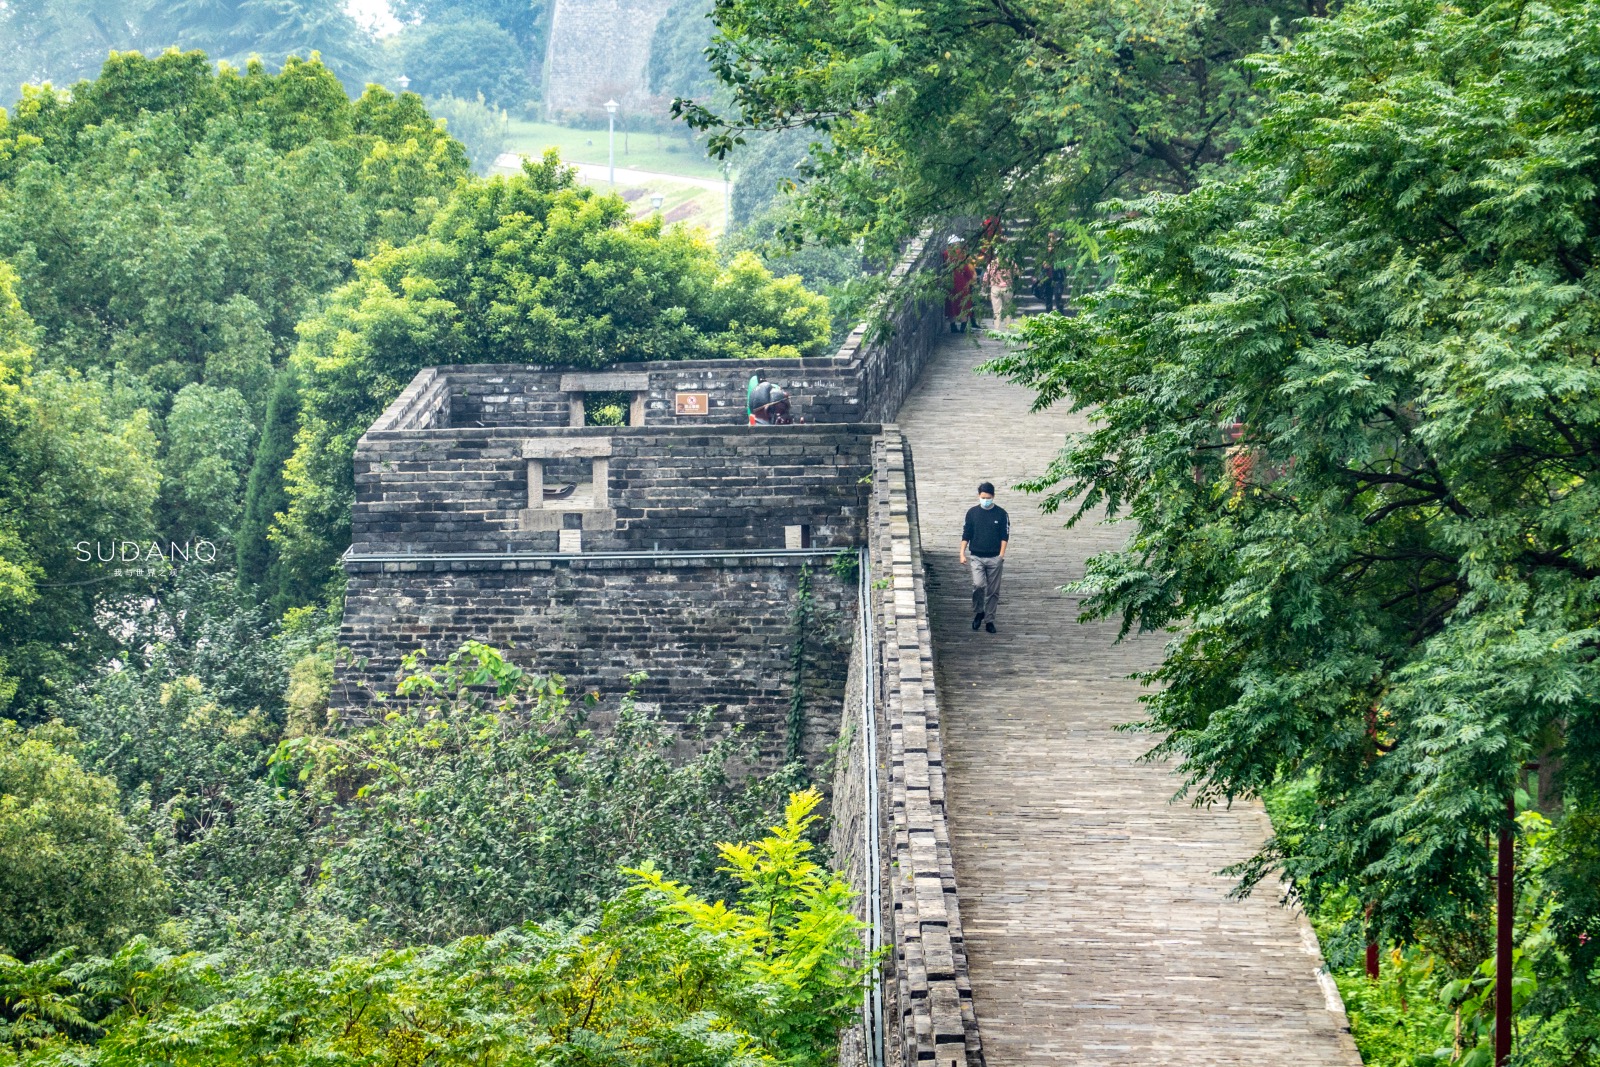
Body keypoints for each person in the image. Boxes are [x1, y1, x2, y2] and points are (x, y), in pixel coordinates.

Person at [960, 481, 1009, 633]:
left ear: (993, 497)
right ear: (979, 496)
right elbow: (966, 534)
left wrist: (1001, 555)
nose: (985, 500)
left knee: (993, 591)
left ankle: (989, 620)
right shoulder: (972, 513)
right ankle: (978, 611)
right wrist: (962, 552)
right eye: (983, 497)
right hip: (977, 556)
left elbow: (1004, 535)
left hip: (995, 557)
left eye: (988, 497)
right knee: (978, 585)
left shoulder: (1001, 514)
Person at [944, 235, 977, 333]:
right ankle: (963, 326)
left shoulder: (946, 254)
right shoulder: (961, 254)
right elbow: (965, 268)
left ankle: (953, 326)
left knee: (951, 304)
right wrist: (971, 277)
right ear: (955, 243)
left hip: (949, 281)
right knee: (963, 304)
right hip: (962, 281)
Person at [983, 256, 1014, 327]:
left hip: (995, 287)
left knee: (996, 311)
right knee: (1008, 309)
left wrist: (984, 286)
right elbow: (1018, 272)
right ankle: (1008, 328)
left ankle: (997, 329)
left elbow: (986, 276)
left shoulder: (992, 264)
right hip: (1007, 287)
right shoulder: (1010, 263)